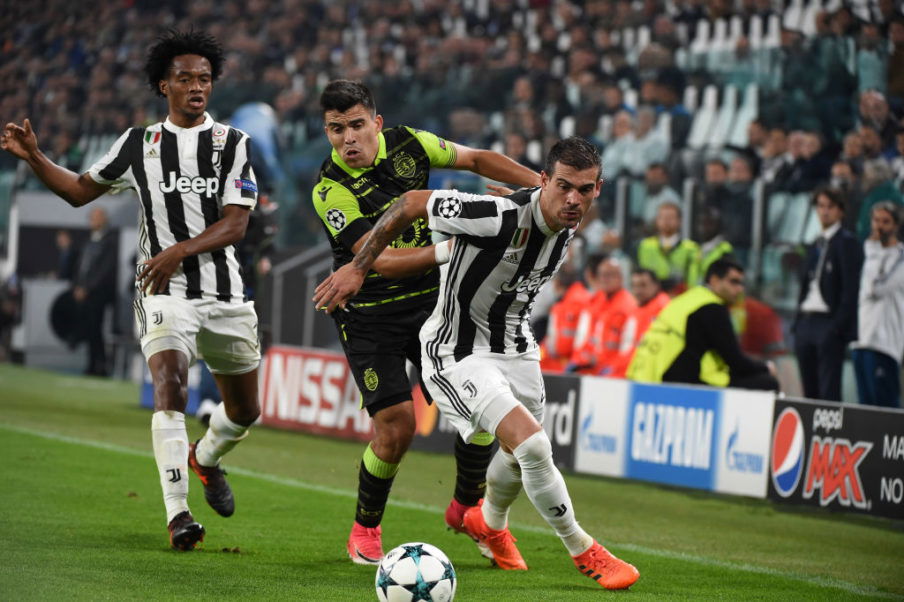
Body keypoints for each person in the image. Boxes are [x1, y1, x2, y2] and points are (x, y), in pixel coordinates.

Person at [314, 137, 639, 590]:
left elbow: (541, 212)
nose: (573, 199)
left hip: (516, 346)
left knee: (517, 451)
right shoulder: (495, 215)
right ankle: (584, 550)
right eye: (563, 186)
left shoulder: (567, 218)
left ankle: (489, 521)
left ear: (597, 189)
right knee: (533, 447)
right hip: (457, 351)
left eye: (584, 190)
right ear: (543, 179)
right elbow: (409, 203)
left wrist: (536, 198)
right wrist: (360, 266)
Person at [2, 30, 262, 551]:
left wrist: (178, 250)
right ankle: (179, 515)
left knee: (245, 412)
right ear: (162, 85)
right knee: (170, 386)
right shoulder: (137, 144)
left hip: (226, 294)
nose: (196, 87)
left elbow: (236, 224)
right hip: (163, 291)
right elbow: (79, 191)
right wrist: (35, 156)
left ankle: (205, 459)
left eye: (204, 79)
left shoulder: (234, 144)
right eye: (185, 78)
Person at [311, 80, 541, 565]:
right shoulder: (330, 189)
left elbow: (477, 160)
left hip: (437, 309)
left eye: (356, 125)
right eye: (336, 130)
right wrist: (460, 246)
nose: (348, 139)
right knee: (397, 429)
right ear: (327, 132)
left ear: (376, 122)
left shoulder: (410, 144)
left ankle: (467, 508)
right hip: (371, 318)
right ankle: (365, 528)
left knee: (483, 407)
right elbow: (381, 260)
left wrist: (539, 189)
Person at [628, 257, 779, 391]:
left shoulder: (688, 299)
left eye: (741, 283)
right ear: (714, 280)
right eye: (734, 282)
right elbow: (735, 361)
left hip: (645, 374)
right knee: (767, 383)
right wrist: (765, 367)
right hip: (677, 381)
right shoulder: (712, 308)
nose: (739, 289)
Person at [794, 188, 863, 401]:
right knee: (809, 389)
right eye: (821, 206)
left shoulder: (848, 243)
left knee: (828, 389)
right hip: (806, 321)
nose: (824, 212)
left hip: (827, 323)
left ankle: (827, 434)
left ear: (840, 211)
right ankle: (810, 432)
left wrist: (836, 327)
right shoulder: (815, 243)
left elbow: (851, 290)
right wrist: (798, 323)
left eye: (830, 207)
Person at [852, 203, 904, 407]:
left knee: (886, 408)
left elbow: (876, 289)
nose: (879, 226)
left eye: (885, 222)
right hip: (862, 339)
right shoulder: (869, 254)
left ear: (896, 225)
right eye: (876, 220)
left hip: (885, 343)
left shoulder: (900, 257)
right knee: (865, 408)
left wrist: (872, 251)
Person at [568, 257, 637, 375]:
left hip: (615, 372)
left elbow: (629, 346)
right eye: (602, 275)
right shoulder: (596, 301)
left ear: (621, 277)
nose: (605, 279)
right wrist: (579, 360)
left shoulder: (629, 306)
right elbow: (586, 336)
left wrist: (614, 368)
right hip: (592, 368)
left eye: (610, 275)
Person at [70, 207, 118, 376]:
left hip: (98, 294)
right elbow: (80, 267)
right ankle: (92, 364)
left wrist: (87, 288)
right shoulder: (87, 240)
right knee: (89, 329)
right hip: (82, 292)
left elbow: (105, 270)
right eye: (92, 217)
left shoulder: (110, 241)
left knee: (96, 329)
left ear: (104, 219)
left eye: (97, 217)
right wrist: (77, 286)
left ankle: (100, 365)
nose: (93, 221)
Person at [610, 269, 670, 378]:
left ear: (656, 285)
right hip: (630, 371)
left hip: (648, 374)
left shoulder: (663, 308)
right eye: (635, 286)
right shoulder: (637, 308)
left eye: (643, 285)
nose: (638, 290)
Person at [637, 202, 700, 294]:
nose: (666, 221)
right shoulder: (645, 246)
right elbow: (640, 276)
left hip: (679, 297)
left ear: (680, 221)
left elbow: (693, 281)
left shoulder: (691, 249)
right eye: (662, 217)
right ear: (657, 221)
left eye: (671, 217)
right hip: (652, 298)